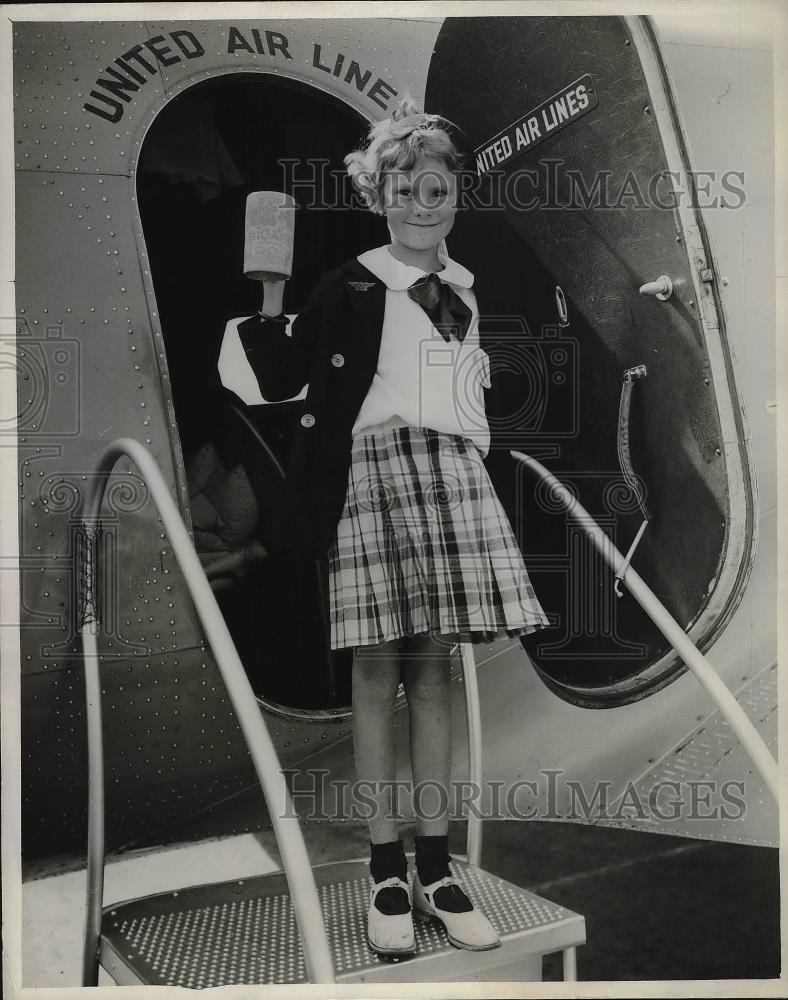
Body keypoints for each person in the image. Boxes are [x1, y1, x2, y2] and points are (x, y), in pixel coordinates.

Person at [237, 96, 551, 958]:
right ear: (382, 197)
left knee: (439, 673)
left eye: (438, 188)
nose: (423, 204)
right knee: (376, 675)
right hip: (371, 477)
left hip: (450, 475)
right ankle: (384, 870)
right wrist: (269, 302)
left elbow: (465, 397)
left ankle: (439, 869)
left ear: (456, 195)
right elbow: (279, 376)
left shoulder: (464, 289)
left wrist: (475, 465)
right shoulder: (352, 284)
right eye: (406, 190)